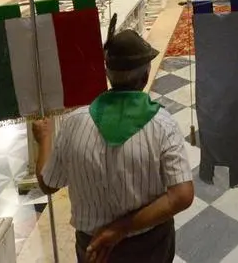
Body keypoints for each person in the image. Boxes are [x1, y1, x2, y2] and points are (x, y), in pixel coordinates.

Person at [32, 20, 194, 263]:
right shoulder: (162, 124)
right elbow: (182, 195)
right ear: (145, 76)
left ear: (108, 75)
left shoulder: (74, 122)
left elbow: (48, 184)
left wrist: (43, 139)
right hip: (149, 246)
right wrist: (122, 228)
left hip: (94, 249)